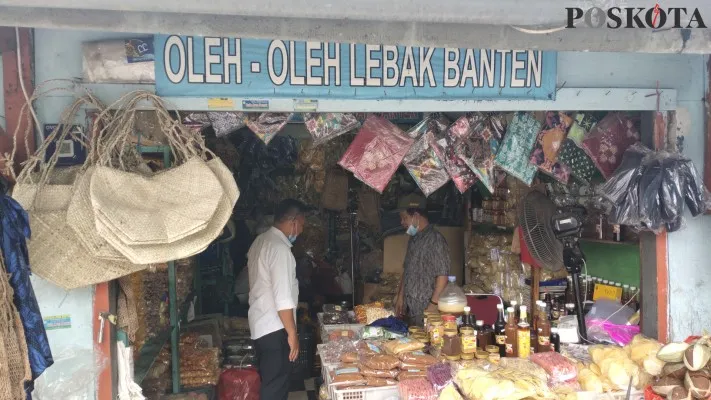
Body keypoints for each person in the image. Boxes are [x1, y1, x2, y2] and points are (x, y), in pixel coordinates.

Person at [247, 199, 307, 400]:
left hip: (262, 326)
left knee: (271, 382)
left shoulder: (260, 242)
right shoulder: (280, 250)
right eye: (302, 225)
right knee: (276, 387)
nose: (300, 231)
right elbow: (282, 297)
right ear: (294, 221)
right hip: (276, 328)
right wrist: (292, 334)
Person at [394, 194, 451, 325]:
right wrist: (400, 296)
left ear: (416, 216)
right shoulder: (414, 238)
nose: (402, 222)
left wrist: (433, 305)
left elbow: (442, 276)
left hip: (425, 308)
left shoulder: (435, 240)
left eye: (404, 218)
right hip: (410, 309)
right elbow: (407, 269)